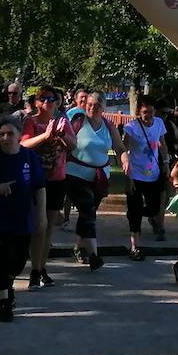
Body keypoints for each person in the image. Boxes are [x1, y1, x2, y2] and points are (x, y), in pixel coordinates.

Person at [0, 117, 46, 322]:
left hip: (23, 217)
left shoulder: (29, 157)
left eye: (10, 134)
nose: (5, 138)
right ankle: (4, 303)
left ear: (19, 136)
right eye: (1, 134)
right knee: (2, 260)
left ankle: (9, 283)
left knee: (18, 261)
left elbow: (39, 187)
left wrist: (41, 215)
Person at [21, 86, 76, 287]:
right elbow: (23, 145)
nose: (48, 102)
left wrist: (61, 134)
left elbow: (73, 144)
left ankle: (41, 268)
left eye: (52, 98)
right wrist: (45, 136)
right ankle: (35, 270)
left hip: (57, 178)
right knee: (38, 226)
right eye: (43, 98)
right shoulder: (32, 122)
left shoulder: (63, 121)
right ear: (37, 102)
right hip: (36, 180)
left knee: (49, 228)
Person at [67, 92, 126, 269]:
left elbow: (118, 146)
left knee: (87, 214)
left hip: (99, 178)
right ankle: (94, 255)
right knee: (88, 209)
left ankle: (78, 246)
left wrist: (124, 159)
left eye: (96, 105)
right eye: (89, 104)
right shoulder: (76, 119)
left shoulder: (108, 126)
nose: (92, 107)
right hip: (76, 175)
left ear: (103, 107)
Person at [121, 95, 169, 258]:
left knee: (154, 208)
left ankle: (140, 216)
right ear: (138, 113)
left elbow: (162, 144)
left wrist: (166, 163)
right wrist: (127, 176)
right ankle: (135, 246)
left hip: (153, 173)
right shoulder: (131, 127)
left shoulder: (159, 124)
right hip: (136, 174)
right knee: (135, 211)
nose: (148, 116)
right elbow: (124, 150)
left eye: (150, 112)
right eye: (144, 112)